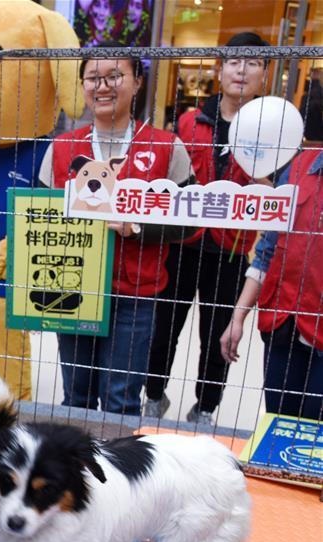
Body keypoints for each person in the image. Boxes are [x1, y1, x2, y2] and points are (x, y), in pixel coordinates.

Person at [38, 44, 194, 416]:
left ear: (137, 82)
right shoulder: (62, 149)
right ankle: (76, 473)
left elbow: (190, 222)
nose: (102, 85)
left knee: (121, 401)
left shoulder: (166, 148)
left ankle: (118, 474)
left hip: (135, 294)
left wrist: (136, 226)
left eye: (115, 75)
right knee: (75, 398)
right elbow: (41, 218)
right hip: (73, 289)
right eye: (93, 77)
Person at [145, 32, 270, 425]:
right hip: (183, 242)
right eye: (234, 61)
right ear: (220, 69)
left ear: (264, 74)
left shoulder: (271, 128)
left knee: (218, 335)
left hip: (232, 248)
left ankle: (206, 407)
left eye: (252, 63)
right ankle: (153, 395)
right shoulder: (189, 119)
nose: (241, 70)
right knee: (164, 326)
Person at [220, 148, 322, 421]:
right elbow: (267, 250)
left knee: (315, 432)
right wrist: (237, 317)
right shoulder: (301, 165)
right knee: (278, 422)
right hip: (284, 321)